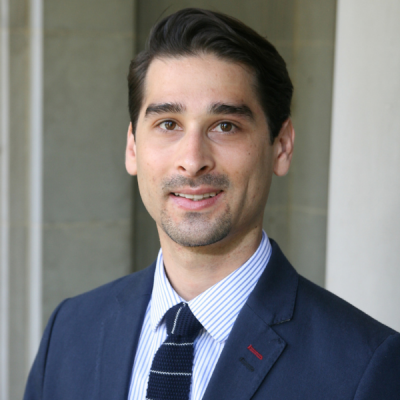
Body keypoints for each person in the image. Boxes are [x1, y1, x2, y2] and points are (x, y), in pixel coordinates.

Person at [24, 8, 400, 400]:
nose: (192, 158)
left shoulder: (364, 366)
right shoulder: (70, 331)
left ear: (281, 146)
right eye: (168, 123)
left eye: (225, 126)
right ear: (133, 147)